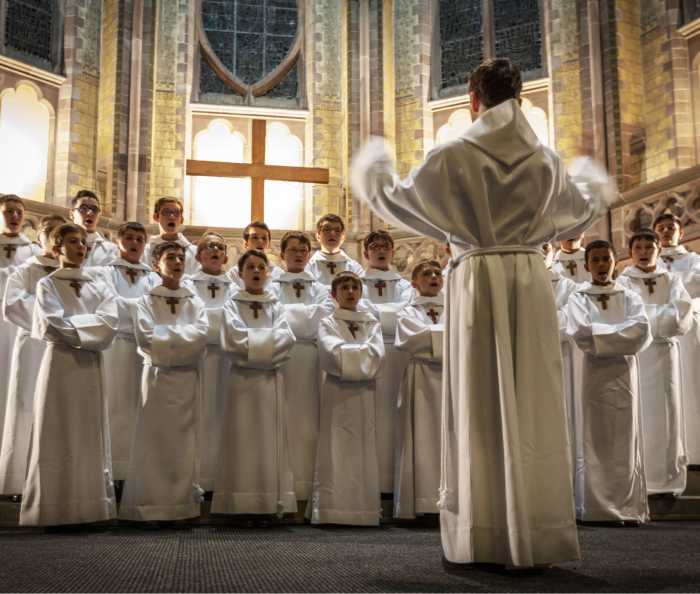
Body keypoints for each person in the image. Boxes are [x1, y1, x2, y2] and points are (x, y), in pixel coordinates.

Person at [350, 57, 617, 567]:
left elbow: (399, 199)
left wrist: (375, 167)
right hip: (529, 279)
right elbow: (579, 212)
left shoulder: (455, 154)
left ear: (474, 100)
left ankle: (484, 531)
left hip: (477, 280)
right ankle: (536, 531)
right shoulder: (546, 162)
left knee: (480, 403)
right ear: (519, 98)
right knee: (532, 400)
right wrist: (591, 183)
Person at [20, 223, 118, 526]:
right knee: (57, 429)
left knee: (89, 432)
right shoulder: (47, 285)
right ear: (57, 247)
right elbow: (50, 324)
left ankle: (90, 508)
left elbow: (110, 323)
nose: (80, 247)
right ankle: (54, 508)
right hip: (60, 366)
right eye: (73, 242)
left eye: (83, 243)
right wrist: (88, 332)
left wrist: (75, 328)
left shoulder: (100, 285)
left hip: (89, 368)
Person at [119, 242, 208, 522]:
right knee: (154, 439)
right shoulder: (146, 300)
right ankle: (150, 506)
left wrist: (169, 337)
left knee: (184, 442)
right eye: (171, 257)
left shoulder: (193, 300)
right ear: (157, 264)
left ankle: (180, 507)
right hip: (157, 377)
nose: (178, 261)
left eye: (182, 257)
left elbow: (202, 335)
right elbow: (145, 336)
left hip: (186, 380)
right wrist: (183, 338)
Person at [565, 240, 652, 524]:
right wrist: (618, 337)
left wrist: (601, 337)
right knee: (593, 435)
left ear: (616, 262)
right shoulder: (577, 297)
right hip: (590, 375)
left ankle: (626, 507)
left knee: (624, 436)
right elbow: (580, 333)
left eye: (606, 259)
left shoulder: (630, 296)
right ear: (587, 265)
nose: (602, 265)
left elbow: (641, 331)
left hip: (624, 374)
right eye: (597, 260)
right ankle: (594, 507)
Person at [213, 250, 296, 516]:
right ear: (240, 273)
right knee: (241, 438)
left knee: (268, 440)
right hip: (241, 382)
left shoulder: (276, 305)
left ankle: (268, 504)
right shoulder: (232, 303)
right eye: (251, 267)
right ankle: (239, 505)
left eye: (262, 267)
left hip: (269, 382)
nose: (257, 272)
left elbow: (287, 338)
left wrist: (255, 350)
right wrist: (267, 351)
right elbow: (233, 339)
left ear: (269, 273)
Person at [618, 230, 693, 496]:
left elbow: (681, 314)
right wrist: (659, 318)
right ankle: (642, 477)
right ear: (631, 251)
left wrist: (650, 321)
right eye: (637, 246)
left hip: (664, 355)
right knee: (639, 413)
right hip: (637, 355)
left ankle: (668, 478)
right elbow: (626, 315)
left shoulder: (671, 279)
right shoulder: (624, 281)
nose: (643, 251)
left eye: (648, 246)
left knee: (668, 411)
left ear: (657, 250)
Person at [311, 271, 385, 526]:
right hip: (336, 390)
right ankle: (333, 509)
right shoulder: (328, 321)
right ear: (333, 294)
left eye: (355, 287)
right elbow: (330, 351)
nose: (351, 291)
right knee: (335, 443)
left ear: (361, 293)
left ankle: (363, 511)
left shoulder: (371, 322)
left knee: (363, 443)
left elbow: (377, 353)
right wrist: (360, 358)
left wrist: (352, 357)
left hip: (364, 392)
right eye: (345, 287)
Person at [0, 215, 65, 497]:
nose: (54, 240)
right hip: (33, 343)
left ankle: (55, 477)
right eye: (49, 234)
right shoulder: (26, 270)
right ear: (40, 238)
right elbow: (12, 304)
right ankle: (19, 480)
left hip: (62, 347)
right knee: (26, 406)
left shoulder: (72, 273)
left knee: (56, 410)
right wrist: (51, 318)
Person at [90, 221, 160, 482]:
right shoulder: (104, 272)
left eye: (139, 239)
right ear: (118, 241)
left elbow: (158, 308)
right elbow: (109, 306)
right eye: (129, 238)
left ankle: (136, 473)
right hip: (115, 345)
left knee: (141, 409)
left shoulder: (153, 276)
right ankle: (110, 472)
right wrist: (142, 311)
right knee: (114, 406)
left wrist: (140, 312)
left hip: (144, 348)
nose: (134, 243)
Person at [271, 231, 334, 501]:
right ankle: (282, 489)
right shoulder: (271, 286)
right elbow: (271, 315)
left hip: (311, 360)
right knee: (281, 421)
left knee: (311, 423)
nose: (298, 254)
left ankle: (308, 490)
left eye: (303, 250)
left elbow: (324, 317)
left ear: (309, 255)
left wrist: (288, 316)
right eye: (293, 249)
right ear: (282, 254)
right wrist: (304, 317)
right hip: (282, 358)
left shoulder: (320, 288)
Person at [360, 230, 414, 493]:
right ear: (365, 252)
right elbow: (359, 311)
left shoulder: (403, 285)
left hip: (399, 354)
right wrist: (383, 317)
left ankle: (395, 485)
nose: (380, 251)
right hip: (369, 350)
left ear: (393, 252)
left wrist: (375, 315)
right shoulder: (356, 283)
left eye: (385, 247)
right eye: (375, 246)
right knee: (371, 417)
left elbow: (407, 313)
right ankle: (371, 484)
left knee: (396, 416)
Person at [393, 260, 445, 519]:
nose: (433, 277)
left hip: (450, 379)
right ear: (414, 283)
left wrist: (432, 336)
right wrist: (448, 337)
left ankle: (450, 501)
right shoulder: (407, 311)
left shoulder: (455, 308)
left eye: (437, 273)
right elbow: (412, 341)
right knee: (421, 435)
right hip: (421, 378)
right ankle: (423, 502)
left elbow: (468, 336)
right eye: (426, 274)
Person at [188, 232, 234, 492]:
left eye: (219, 247)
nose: (215, 251)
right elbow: (190, 319)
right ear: (198, 256)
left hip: (227, 361)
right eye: (208, 247)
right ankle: (197, 479)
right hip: (199, 359)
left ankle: (220, 480)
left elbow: (237, 322)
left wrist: (211, 323)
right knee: (199, 417)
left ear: (226, 256)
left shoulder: (235, 287)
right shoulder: (187, 285)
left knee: (222, 417)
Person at [654, 210, 700, 466]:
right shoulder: (649, 261)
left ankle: (694, 448)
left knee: (692, 386)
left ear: (681, 232)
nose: (666, 231)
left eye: (670, 227)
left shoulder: (693, 259)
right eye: (661, 228)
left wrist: (672, 287)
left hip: (689, 330)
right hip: (661, 332)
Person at [0, 195, 41, 445]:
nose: (14, 217)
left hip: (19, 324)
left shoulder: (34, 251)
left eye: (18, 212)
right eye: (8, 212)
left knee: (18, 385)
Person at [543, 241, 580, 482]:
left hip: (561, 358)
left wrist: (534, 320)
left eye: (544, 247)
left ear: (552, 252)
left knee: (563, 418)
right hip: (523, 357)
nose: (539, 251)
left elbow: (570, 321)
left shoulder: (568, 286)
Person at [144, 197, 199, 275]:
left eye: (177, 213)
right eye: (166, 212)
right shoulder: (145, 251)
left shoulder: (194, 253)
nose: (172, 217)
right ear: (156, 217)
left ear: (181, 219)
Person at [306, 214, 364, 286]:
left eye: (337, 230)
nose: (332, 233)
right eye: (327, 229)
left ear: (343, 237)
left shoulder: (354, 267)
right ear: (318, 236)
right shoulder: (308, 267)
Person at [70, 190, 119, 267]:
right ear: (72, 214)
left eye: (94, 209)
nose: (90, 213)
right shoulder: (61, 245)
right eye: (83, 208)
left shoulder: (111, 250)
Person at [228, 221, 284, 288]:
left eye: (264, 238)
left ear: (268, 244)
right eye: (255, 237)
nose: (260, 241)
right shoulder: (234, 273)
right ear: (246, 244)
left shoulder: (278, 273)